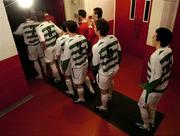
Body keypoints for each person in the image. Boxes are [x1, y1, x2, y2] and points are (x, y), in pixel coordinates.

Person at [136, 27, 173, 131]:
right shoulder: (169, 50)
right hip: (163, 87)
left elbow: (155, 79)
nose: (152, 37)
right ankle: (152, 122)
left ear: (159, 40)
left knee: (142, 105)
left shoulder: (156, 57)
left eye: (154, 35)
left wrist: (146, 87)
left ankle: (146, 125)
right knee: (153, 105)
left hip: (153, 89)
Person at [61, 20, 94, 103]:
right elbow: (87, 49)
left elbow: (66, 60)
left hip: (77, 66)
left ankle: (81, 98)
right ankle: (91, 89)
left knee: (78, 84)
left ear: (67, 29)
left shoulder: (68, 43)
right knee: (85, 76)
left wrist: (64, 70)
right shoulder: (82, 37)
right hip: (84, 62)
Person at [92, 19, 122, 111]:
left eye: (94, 27)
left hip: (104, 72)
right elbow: (120, 53)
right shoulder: (114, 37)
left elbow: (95, 65)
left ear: (98, 31)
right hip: (115, 69)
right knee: (111, 80)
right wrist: (117, 64)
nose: (93, 28)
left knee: (103, 91)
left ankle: (104, 107)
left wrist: (96, 76)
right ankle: (110, 95)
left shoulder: (96, 47)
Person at [14, 12, 47, 79]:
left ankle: (40, 75)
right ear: (31, 16)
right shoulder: (37, 23)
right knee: (42, 58)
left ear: (23, 16)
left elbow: (16, 33)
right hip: (38, 44)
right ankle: (45, 72)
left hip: (30, 46)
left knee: (35, 61)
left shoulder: (22, 25)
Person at [36, 12, 62, 83]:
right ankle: (61, 74)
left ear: (36, 18)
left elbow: (42, 40)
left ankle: (58, 78)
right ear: (44, 17)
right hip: (55, 45)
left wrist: (44, 48)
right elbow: (60, 32)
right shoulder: (51, 23)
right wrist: (57, 41)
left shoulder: (38, 27)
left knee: (52, 64)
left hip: (48, 48)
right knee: (58, 61)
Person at [55, 22, 74, 95]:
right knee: (73, 74)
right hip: (73, 58)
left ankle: (71, 91)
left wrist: (59, 61)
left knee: (67, 76)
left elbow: (57, 54)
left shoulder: (59, 39)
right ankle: (75, 86)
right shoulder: (73, 36)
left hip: (64, 59)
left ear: (62, 28)